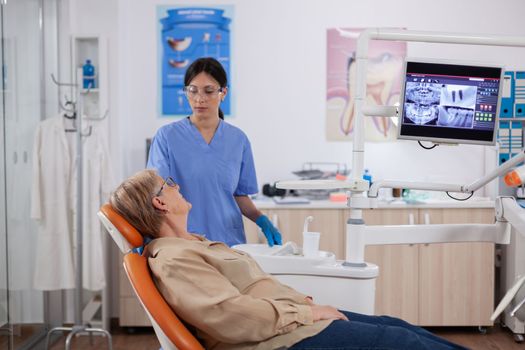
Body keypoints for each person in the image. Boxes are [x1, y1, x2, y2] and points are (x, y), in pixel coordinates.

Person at [109, 169, 467, 350]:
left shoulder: (192, 243)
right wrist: (307, 312)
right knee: (402, 343)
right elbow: (230, 316)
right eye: (168, 183)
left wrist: (301, 304)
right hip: (275, 340)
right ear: (160, 202)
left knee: (398, 326)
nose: (176, 186)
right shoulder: (173, 259)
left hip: (288, 323)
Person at [147, 57, 281, 247]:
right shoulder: (167, 137)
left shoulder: (238, 140)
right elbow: (156, 194)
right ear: (186, 93)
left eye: (209, 91)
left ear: (223, 93)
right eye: (193, 91)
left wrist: (261, 219)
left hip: (228, 241)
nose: (200, 98)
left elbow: (238, 195)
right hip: (184, 242)